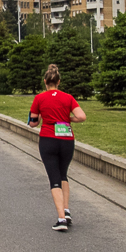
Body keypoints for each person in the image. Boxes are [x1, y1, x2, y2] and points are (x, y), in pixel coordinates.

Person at [28, 64, 87, 231]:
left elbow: (33, 123)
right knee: (63, 174)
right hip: (67, 139)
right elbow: (81, 116)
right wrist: (67, 119)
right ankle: (66, 210)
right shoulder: (68, 97)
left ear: (45, 81)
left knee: (53, 178)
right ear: (58, 82)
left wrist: (40, 117)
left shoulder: (39, 98)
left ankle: (61, 219)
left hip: (48, 138)